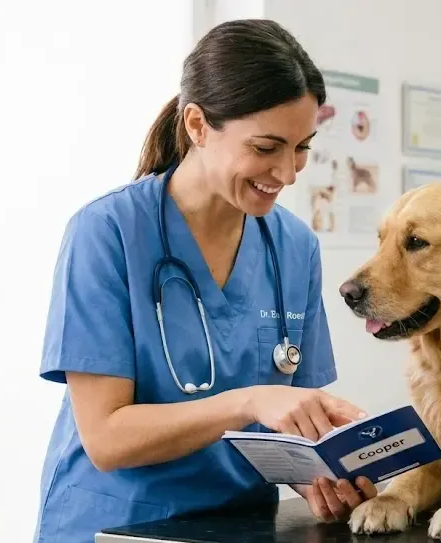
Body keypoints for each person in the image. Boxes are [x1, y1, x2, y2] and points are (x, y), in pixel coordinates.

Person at [32, 19, 377, 543]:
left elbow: (289, 423)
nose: (288, 172)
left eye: (302, 147)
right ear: (197, 125)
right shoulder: (108, 232)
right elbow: (106, 438)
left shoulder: (294, 246)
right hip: (114, 526)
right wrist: (249, 401)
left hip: (238, 525)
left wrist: (315, 477)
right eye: (266, 147)